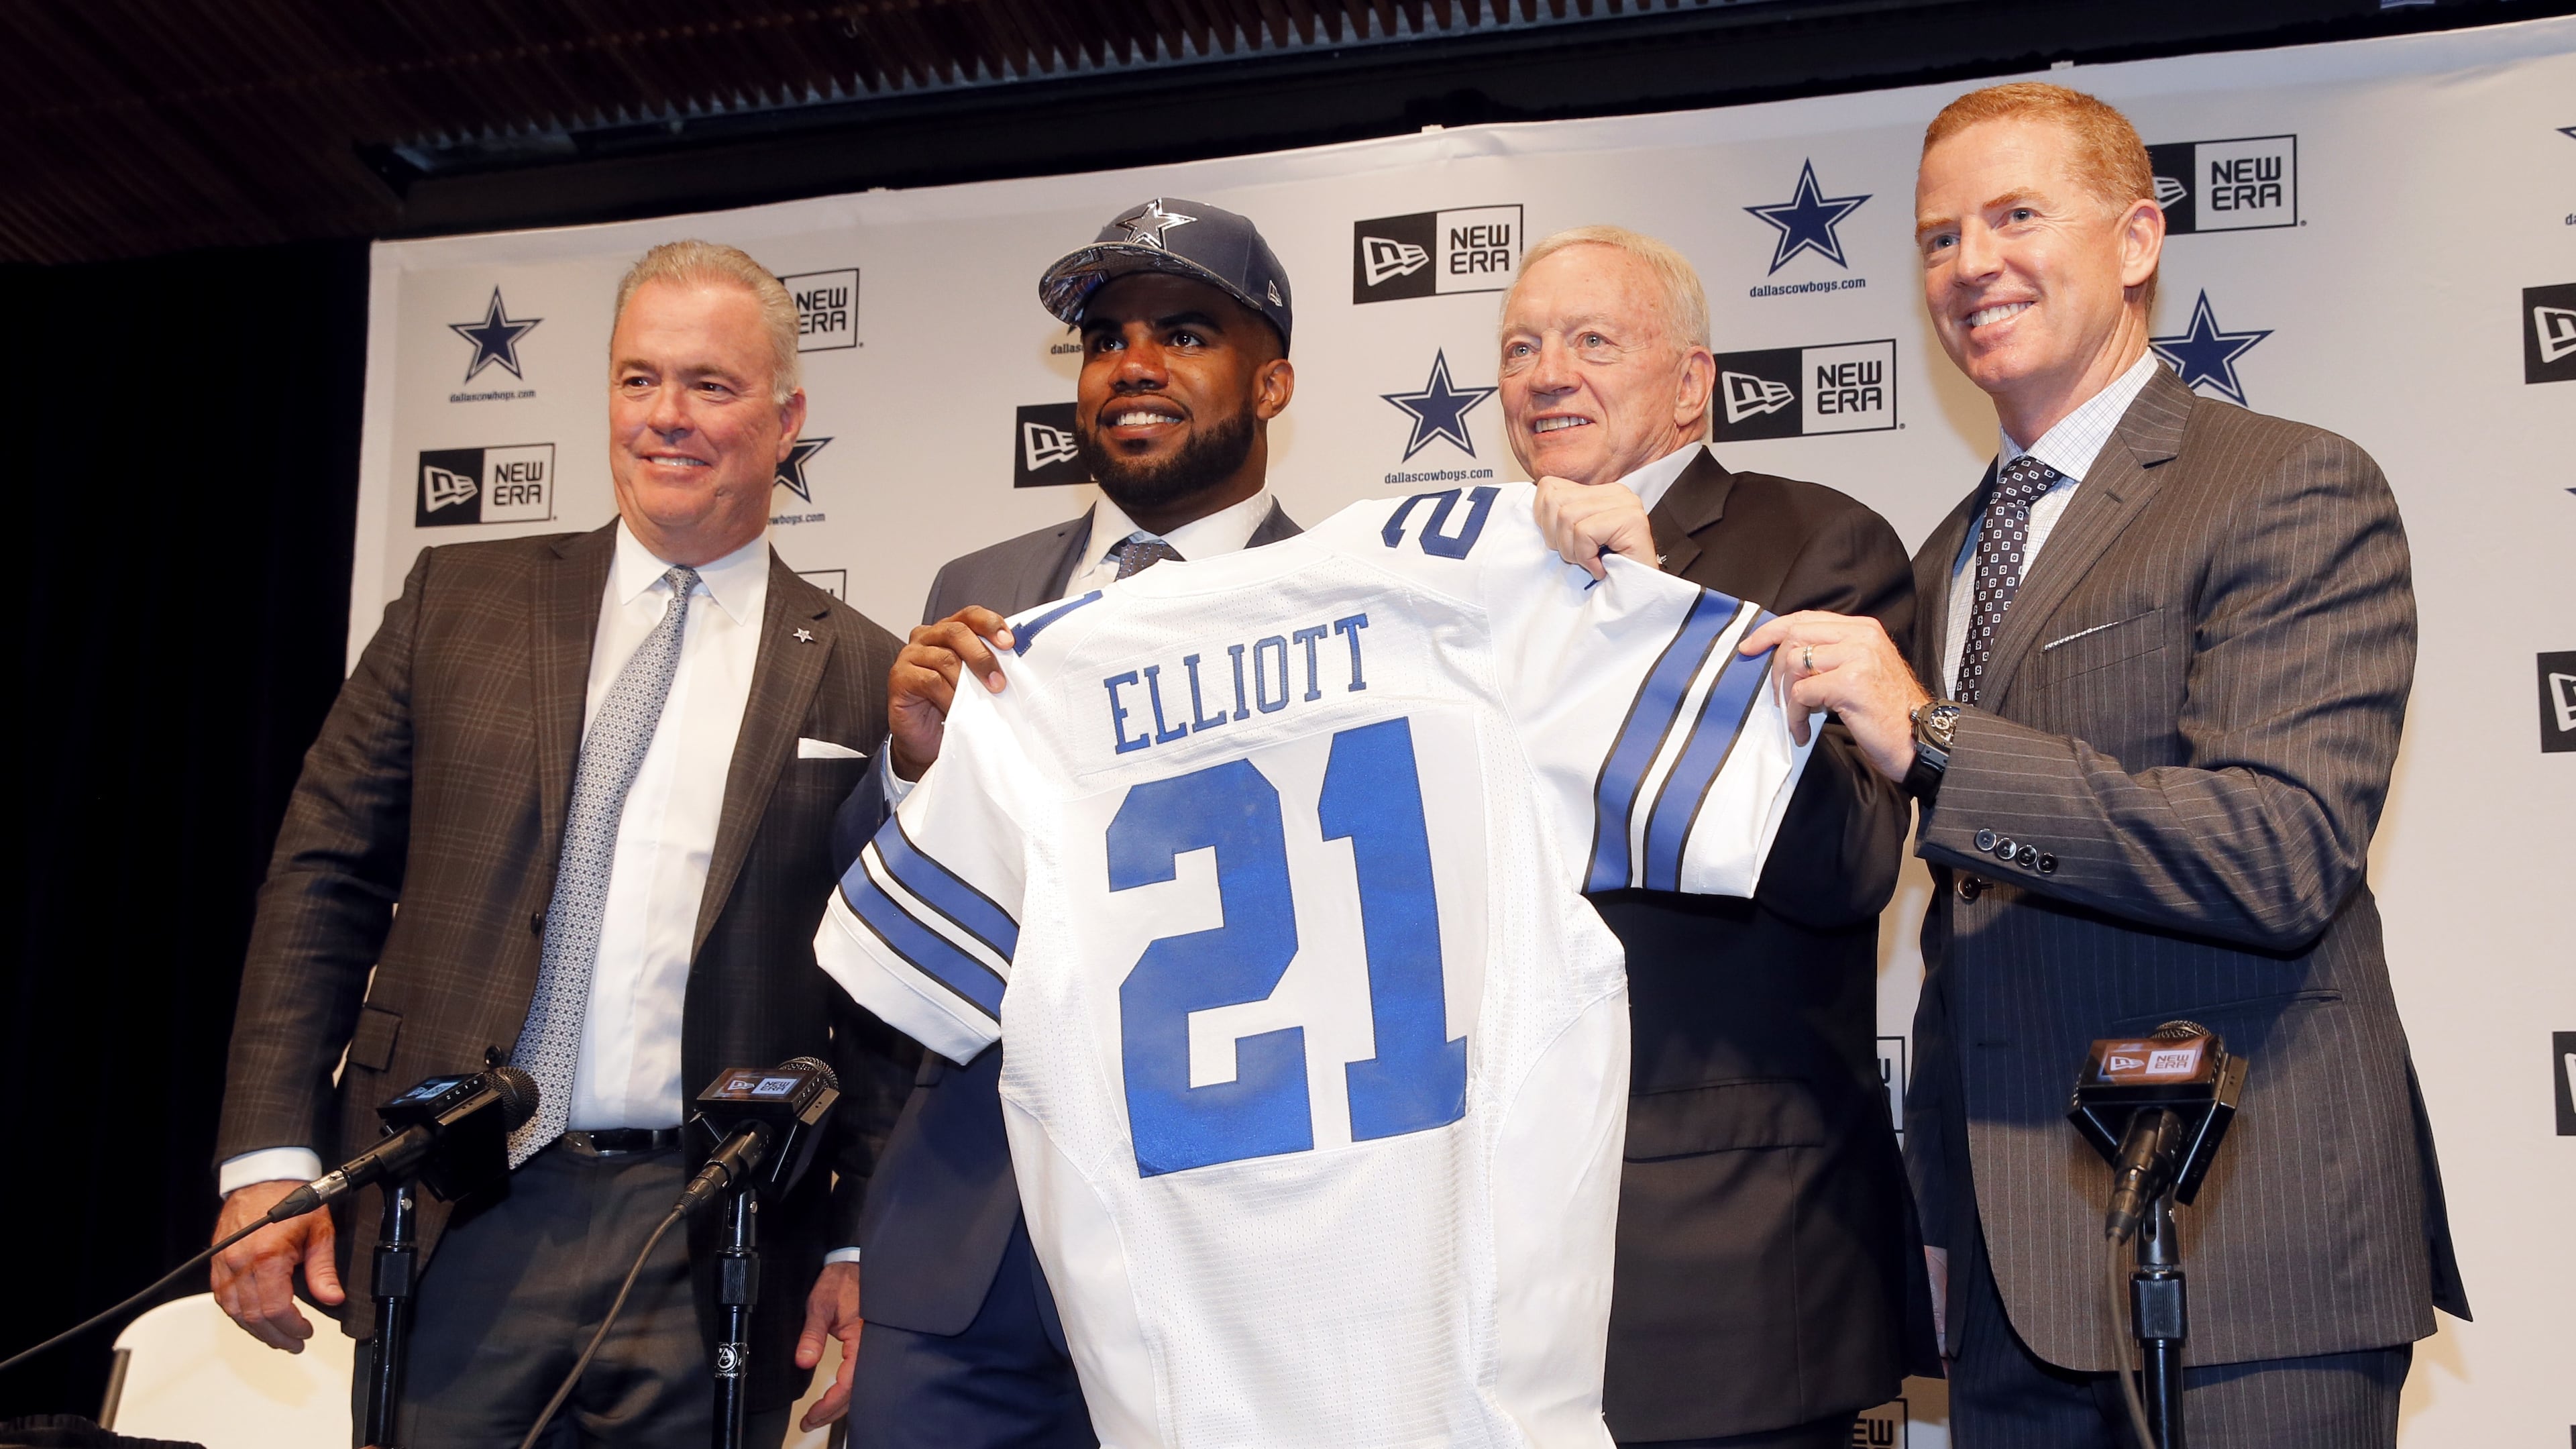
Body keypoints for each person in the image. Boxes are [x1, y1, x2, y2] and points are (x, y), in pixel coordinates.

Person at [1743, 83, 2468, 1447]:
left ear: (2138, 239)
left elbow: (2282, 851)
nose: (1971, 264)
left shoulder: (2289, 483)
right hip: (2016, 1290)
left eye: (2016, 215)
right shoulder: (1952, 552)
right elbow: (1971, 944)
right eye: (1938, 238)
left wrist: (1940, 747)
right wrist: (1941, 1221)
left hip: (2251, 1265)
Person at [209, 240, 909, 1447]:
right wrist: (268, 1158)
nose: (666, 418)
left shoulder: (864, 667)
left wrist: (860, 1236)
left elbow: (888, 993)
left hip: (715, 1239)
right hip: (454, 1209)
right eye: (638, 379)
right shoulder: (455, 600)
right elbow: (323, 877)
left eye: (709, 384)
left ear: (788, 415)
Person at [828, 197, 1300, 1449]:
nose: (1132, 366)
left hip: (1230, 1250)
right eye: (1106, 340)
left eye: (1185, 332)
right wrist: (910, 768)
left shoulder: (1339, 607)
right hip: (969, 1250)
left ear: (1273, 382)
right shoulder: (973, 593)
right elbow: (872, 932)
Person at [1513, 226, 1934, 1449]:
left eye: (1593, 341)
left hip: (1737, 1267)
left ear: (1692, 382)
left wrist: (1660, 623)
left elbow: (1850, 866)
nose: (1548, 374)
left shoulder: (1814, 543)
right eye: (1522, 347)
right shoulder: (1469, 576)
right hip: (1504, 1259)